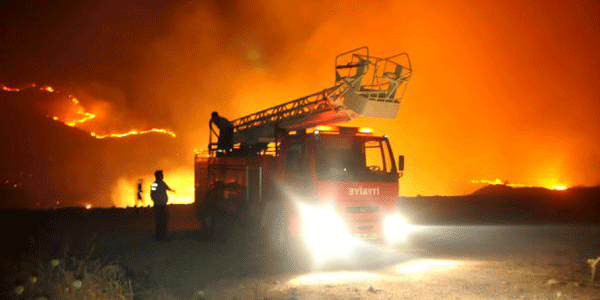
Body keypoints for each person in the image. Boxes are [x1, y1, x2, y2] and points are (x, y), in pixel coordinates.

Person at [150, 170, 175, 240]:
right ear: (158, 176)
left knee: (163, 221)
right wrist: (156, 201)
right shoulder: (154, 184)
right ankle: (160, 236)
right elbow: (152, 194)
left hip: (162, 205)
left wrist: (172, 190)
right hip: (158, 206)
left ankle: (162, 235)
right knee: (160, 221)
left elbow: (167, 188)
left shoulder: (162, 183)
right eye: (161, 174)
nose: (163, 176)